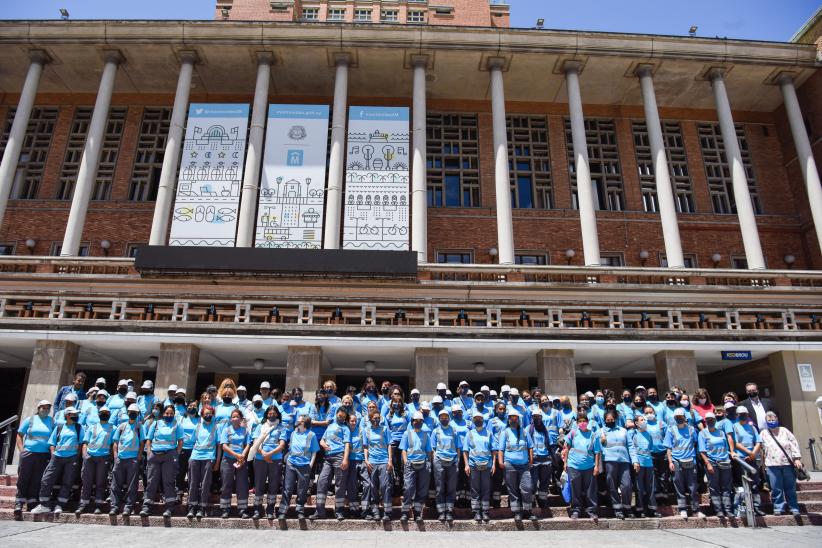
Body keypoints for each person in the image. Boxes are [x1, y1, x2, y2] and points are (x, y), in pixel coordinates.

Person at [31, 406, 82, 515]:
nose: (76, 416)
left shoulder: (79, 428)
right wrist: (53, 454)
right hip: (57, 457)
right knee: (46, 479)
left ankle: (60, 505)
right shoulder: (59, 427)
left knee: (67, 481)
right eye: (74, 414)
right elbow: (52, 443)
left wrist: (76, 457)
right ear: (67, 415)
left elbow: (81, 444)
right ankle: (44, 505)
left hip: (71, 458)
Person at [140, 404, 183, 518]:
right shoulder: (156, 423)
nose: (169, 415)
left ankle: (169, 507)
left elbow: (180, 442)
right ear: (163, 414)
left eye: (171, 414)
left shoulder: (177, 424)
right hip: (154, 455)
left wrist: (176, 454)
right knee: (151, 481)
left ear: (174, 414)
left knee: (168, 482)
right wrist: (149, 453)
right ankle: (147, 506)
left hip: (169, 456)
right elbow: (148, 439)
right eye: (167, 413)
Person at [760, 410, 804, 516]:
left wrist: (797, 458)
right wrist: (762, 464)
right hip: (772, 465)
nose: (771, 421)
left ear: (777, 419)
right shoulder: (763, 433)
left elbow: (793, 444)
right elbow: (761, 449)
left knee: (790, 488)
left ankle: (793, 507)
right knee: (776, 488)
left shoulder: (784, 431)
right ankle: (778, 507)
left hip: (787, 464)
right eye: (769, 420)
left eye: (773, 419)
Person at [14, 400, 54, 517]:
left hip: (43, 455)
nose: (45, 410)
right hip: (29, 453)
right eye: (43, 408)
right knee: (23, 478)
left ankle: (32, 502)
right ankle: (19, 503)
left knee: (37, 479)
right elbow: (19, 435)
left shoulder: (51, 421)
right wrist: (22, 451)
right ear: (38, 408)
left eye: (48, 408)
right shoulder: (30, 420)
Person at [664, 407, 705, 519]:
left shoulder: (692, 430)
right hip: (677, 461)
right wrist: (670, 461)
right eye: (676, 417)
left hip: (690, 460)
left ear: (685, 418)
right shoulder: (670, 430)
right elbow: (668, 447)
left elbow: (696, 443)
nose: (678, 419)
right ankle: (682, 509)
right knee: (679, 485)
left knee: (692, 486)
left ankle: (696, 510)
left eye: (680, 417)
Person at [496, 408, 536, 522]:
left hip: (524, 465)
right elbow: (501, 449)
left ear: (518, 419)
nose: (513, 419)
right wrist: (500, 462)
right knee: (513, 490)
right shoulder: (505, 432)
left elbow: (530, 447)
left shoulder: (524, 432)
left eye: (515, 417)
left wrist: (531, 460)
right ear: (508, 419)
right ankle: (517, 512)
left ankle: (528, 511)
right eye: (511, 417)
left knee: (527, 488)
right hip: (510, 465)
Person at [313, 406, 351, 521]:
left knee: (340, 486)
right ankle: (319, 511)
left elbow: (347, 445)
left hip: (339, 457)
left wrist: (345, 459)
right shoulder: (330, 426)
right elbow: (322, 440)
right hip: (327, 458)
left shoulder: (345, 428)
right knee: (322, 482)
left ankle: (339, 511)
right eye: (339, 416)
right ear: (336, 415)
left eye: (343, 417)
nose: (341, 418)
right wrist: (323, 444)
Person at [248, 404, 286, 519]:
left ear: (277, 414)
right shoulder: (260, 427)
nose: (272, 415)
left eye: (274, 413)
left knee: (273, 485)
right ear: (266, 415)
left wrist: (269, 454)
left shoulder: (281, 428)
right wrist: (264, 453)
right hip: (260, 459)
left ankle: (270, 509)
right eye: (269, 414)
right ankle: (257, 509)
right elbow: (255, 443)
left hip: (275, 459)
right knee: (259, 484)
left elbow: (282, 445)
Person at [279, 414, 320, 520]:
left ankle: (300, 510)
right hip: (291, 464)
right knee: (287, 488)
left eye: (299, 420)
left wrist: (310, 465)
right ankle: (283, 511)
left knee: (302, 490)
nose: (297, 421)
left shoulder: (311, 435)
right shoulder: (293, 433)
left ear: (304, 423)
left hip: (304, 465)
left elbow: (314, 452)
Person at [562, 412, 601, 521]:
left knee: (590, 490)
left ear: (587, 422)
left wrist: (596, 466)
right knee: (575, 489)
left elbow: (597, 452)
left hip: (589, 466)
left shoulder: (593, 435)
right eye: (580, 421)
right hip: (573, 466)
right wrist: (565, 463)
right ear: (577, 423)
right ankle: (575, 510)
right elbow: (567, 449)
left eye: (584, 421)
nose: (582, 423)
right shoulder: (573, 433)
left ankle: (591, 511)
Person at [727, 406, 766, 516]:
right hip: (741, 459)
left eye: (745, 413)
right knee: (743, 484)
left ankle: (757, 507)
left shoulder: (752, 427)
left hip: (753, 458)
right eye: (740, 414)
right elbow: (735, 443)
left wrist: (753, 453)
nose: (743, 416)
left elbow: (758, 441)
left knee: (754, 483)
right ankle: (745, 506)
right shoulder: (734, 427)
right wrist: (748, 453)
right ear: (737, 415)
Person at [76, 406, 114, 515]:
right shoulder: (92, 427)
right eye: (103, 412)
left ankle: (98, 505)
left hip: (104, 457)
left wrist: (110, 456)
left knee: (100, 481)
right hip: (90, 457)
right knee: (87, 481)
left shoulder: (113, 428)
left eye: (107, 412)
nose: (104, 414)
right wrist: (85, 455)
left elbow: (113, 444)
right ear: (98, 414)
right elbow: (85, 442)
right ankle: (83, 504)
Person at [186, 404, 219, 519]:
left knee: (205, 484)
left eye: (210, 413)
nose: (208, 415)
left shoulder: (216, 427)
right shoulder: (198, 426)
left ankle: (202, 507)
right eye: (206, 414)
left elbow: (219, 446)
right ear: (202, 415)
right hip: (195, 457)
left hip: (209, 457)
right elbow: (192, 441)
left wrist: (217, 462)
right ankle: (192, 506)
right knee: (193, 482)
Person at [110, 403, 143, 516]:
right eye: (131, 412)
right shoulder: (122, 426)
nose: (133, 414)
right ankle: (114, 506)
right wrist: (115, 455)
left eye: (135, 413)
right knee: (115, 484)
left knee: (132, 485)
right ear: (128, 413)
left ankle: (128, 507)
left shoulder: (139, 426)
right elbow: (115, 441)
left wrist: (139, 455)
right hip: (120, 458)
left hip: (133, 459)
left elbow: (142, 442)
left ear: (138, 414)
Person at [698, 411, 733, 517]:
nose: (710, 421)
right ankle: (718, 510)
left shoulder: (721, 432)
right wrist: (707, 463)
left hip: (724, 462)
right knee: (714, 487)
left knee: (726, 487)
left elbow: (726, 447)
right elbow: (702, 451)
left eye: (712, 419)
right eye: (708, 420)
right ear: (705, 421)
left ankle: (728, 509)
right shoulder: (702, 433)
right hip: (712, 463)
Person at [400, 411, 432, 523]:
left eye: (420, 421)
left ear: (422, 422)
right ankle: (404, 512)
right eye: (415, 421)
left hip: (423, 464)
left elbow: (429, 451)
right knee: (408, 488)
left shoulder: (426, 434)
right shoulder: (406, 434)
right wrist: (405, 461)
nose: (417, 422)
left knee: (422, 490)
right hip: (410, 464)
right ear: (412, 422)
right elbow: (403, 449)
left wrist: (429, 463)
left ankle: (417, 513)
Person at [363, 409, 394, 521]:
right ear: (370, 419)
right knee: (373, 487)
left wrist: (390, 461)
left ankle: (387, 512)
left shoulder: (385, 429)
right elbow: (365, 447)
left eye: (378, 418)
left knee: (385, 487)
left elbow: (389, 445)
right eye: (374, 418)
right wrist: (366, 460)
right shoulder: (367, 430)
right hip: (372, 462)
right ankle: (375, 511)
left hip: (384, 461)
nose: (376, 420)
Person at [600, 410, 632, 519]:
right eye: (607, 420)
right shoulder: (601, 431)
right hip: (609, 460)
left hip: (624, 460)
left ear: (616, 419)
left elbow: (630, 446)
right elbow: (597, 447)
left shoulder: (623, 431)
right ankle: (617, 508)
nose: (610, 421)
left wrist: (635, 460)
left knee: (626, 484)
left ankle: (627, 507)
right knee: (612, 485)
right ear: (604, 420)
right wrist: (602, 441)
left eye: (612, 419)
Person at [219, 408, 251, 518]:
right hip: (228, 460)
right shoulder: (226, 430)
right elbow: (224, 446)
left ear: (241, 419)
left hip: (241, 461)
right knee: (226, 484)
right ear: (230, 419)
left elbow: (248, 444)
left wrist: (242, 455)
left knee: (242, 485)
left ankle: (242, 509)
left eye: (237, 416)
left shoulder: (245, 430)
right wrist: (236, 455)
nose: (235, 418)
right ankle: (225, 509)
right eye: (233, 417)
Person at [431, 407, 461, 522]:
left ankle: (449, 511)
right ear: (439, 419)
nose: (444, 419)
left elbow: (458, 447)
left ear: (449, 418)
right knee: (440, 488)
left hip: (452, 461)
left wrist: (457, 460)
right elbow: (433, 448)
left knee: (451, 487)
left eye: (446, 417)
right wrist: (435, 458)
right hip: (439, 461)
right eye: (442, 417)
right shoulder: (435, 431)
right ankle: (441, 512)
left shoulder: (454, 430)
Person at [464, 409, 493, 522]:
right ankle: (476, 512)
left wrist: (493, 465)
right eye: (476, 419)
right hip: (473, 465)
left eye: (480, 419)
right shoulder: (469, 434)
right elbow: (465, 451)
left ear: (483, 420)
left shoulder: (489, 433)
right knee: (475, 489)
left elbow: (493, 451)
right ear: (473, 420)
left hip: (487, 465)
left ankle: (485, 512)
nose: (478, 421)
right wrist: (466, 465)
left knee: (486, 488)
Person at [629, 414, 660, 517]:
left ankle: (652, 509)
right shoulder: (633, 434)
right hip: (638, 464)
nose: (644, 422)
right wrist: (635, 462)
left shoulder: (648, 434)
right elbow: (631, 449)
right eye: (642, 420)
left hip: (649, 463)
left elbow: (650, 447)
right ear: (636, 423)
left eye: (645, 420)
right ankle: (640, 509)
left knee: (650, 487)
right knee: (639, 488)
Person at [529, 409, 552, 509]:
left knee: (545, 482)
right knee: (533, 482)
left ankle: (542, 500)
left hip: (545, 459)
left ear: (541, 418)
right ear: (532, 418)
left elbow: (549, 444)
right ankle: (532, 500)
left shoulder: (545, 429)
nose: (537, 418)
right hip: (534, 459)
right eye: (535, 416)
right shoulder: (528, 429)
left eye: (539, 416)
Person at [346, 411, 366, 517]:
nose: (353, 423)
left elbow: (366, 446)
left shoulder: (361, 431)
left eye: (355, 421)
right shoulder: (346, 431)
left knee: (367, 484)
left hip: (362, 460)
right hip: (351, 461)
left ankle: (365, 509)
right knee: (352, 486)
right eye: (351, 421)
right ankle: (353, 510)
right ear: (348, 422)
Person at [178, 400, 200, 495]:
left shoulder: (200, 419)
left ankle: (192, 491)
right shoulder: (182, 418)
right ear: (187, 407)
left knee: (192, 471)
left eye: (194, 406)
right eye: (190, 406)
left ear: (198, 408)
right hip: (182, 448)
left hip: (194, 449)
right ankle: (179, 490)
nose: (192, 408)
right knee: (180, 471)